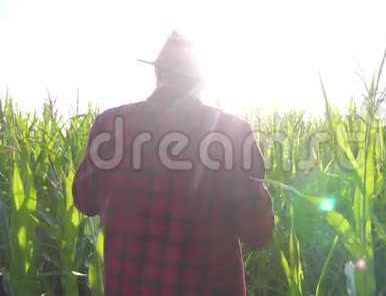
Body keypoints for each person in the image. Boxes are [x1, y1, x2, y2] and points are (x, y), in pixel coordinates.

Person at [72, 29, 275, 295]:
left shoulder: (110, 125)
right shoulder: (232, 132)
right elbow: (258, 234)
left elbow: (84, 200)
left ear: (158, 74)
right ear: (200, 81)